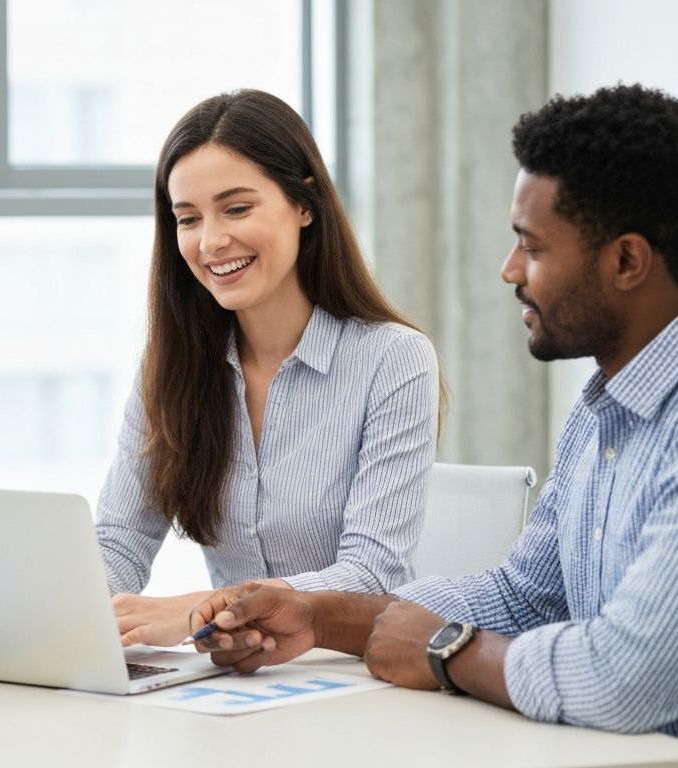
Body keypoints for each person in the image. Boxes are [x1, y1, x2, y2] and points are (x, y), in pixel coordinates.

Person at [190, 84, 678, 767]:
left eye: (531, 247)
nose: (509, 271)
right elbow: (523, 595)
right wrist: (317, 616)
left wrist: (451, 651)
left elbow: (627, 679)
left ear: (626, 261)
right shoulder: (605, 410)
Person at [98, 89, 441, 647]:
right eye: (188, 219)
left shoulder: (392, 360)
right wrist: (73, 614)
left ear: (304, 204)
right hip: (234, 679)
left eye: (237, 208)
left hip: (352, 678)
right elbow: (119, 537)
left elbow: (371, 577)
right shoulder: (172, 367)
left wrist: (201, 610)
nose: (210, 242)